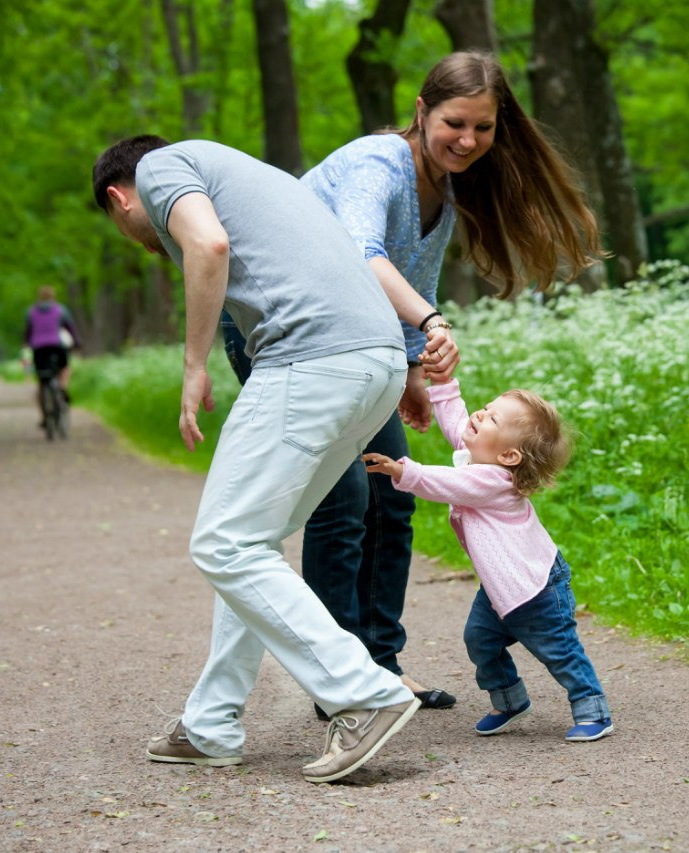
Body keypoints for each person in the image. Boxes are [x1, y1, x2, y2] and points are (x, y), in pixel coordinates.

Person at [221, 50, 603, 716]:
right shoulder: (379, 166)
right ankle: (336, 677)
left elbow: (413, 277)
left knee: (391, 494)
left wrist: (409, 372)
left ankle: (379, 664)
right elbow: (363, 257)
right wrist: (429, 322)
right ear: (422, 111)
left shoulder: (447, 190)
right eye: (456, 122)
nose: (469, 140)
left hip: (346, 342)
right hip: (276, 331)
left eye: (483, 129)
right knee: (344, 504)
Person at [91, 134, 420, 783]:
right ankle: (212, 723)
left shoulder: (159, 168)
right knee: (251, 539)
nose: (141, 235)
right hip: (373, 360)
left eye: (120, 224)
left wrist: (192, 367)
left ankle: (365, 691)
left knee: (223, 543)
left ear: (117, 198)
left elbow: (208, 246)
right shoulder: (240, 171)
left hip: (313, 358)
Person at [363, 376, 613, 742]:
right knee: (479, 640)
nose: (480, 415)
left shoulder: (495, 481)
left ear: (510, 457)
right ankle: (510, 700)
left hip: (536, 590)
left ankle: (593, 709)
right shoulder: (478, 459)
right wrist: (445, 384)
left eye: (493, 419)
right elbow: (456, 423)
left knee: (559, 652)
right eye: (487, 408)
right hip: (500, 589)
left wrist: (403, 471)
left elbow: (447, 483)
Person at [24, 285, 80, 402]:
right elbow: (70, 328)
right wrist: (76, 342)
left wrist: (26, 343)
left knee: (41, 379)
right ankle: (63, 387)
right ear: (53, 296)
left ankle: (44, 413)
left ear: (39, 297)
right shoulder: (60, 310)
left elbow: (28, 331)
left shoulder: (31, 312)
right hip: (56, 345)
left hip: (38, 347)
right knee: (64, 367)